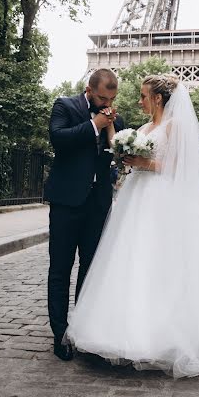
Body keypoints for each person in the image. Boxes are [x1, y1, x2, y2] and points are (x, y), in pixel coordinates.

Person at [65, 74, 199, 378]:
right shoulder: (144, 128)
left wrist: (142, 164)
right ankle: (126, 329)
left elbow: (177, 167)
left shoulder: (174, 127)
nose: (139, 101)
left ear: (158, 98)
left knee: (159, 263)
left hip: (158, 199)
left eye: (143, 96)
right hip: (136, 199)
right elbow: (118, 148)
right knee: (132, 261)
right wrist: (113, 130)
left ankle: (161, 335)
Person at [44, 68, 124, 361]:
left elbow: (119, 153)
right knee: (60, 270)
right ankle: (60, 334)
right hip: (66, 203)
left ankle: (84, 330)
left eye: (112, 98)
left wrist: (114, 135)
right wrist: (94, 124)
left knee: (90, 271)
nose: (107, 103)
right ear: (89, 90)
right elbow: (59, 139)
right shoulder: (65, 106)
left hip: (98, 205)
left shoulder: (114, 117)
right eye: (102, 97)